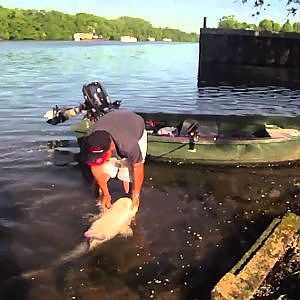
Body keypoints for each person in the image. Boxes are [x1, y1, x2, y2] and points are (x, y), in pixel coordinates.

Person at [81, 109, 147, 211]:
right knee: (103, 175)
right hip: (111, 123)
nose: (100, 159)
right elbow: (95, 166)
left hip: (134, 125)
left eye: (103, 156)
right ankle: (102, 197)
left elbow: (138, 167)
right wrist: (106, 193)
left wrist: (136, 195)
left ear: (111, 147)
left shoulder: (128, 144)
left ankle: (129, 200)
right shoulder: (89, 142)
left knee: (127, 177)